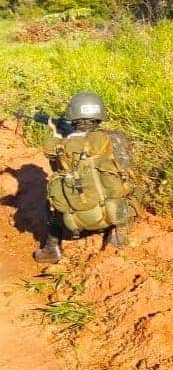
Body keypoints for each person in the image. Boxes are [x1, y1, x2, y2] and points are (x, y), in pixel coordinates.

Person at [34, 92, 139, 264]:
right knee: (132, 188)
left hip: (76, 219)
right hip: (113, 211)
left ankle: (52, 248)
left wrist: (58, 136)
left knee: (51, 199)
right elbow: (127, 168)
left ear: (72, 116)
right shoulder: (116, 138)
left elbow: (58, 174)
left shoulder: (62, 146)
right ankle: (118, 233)